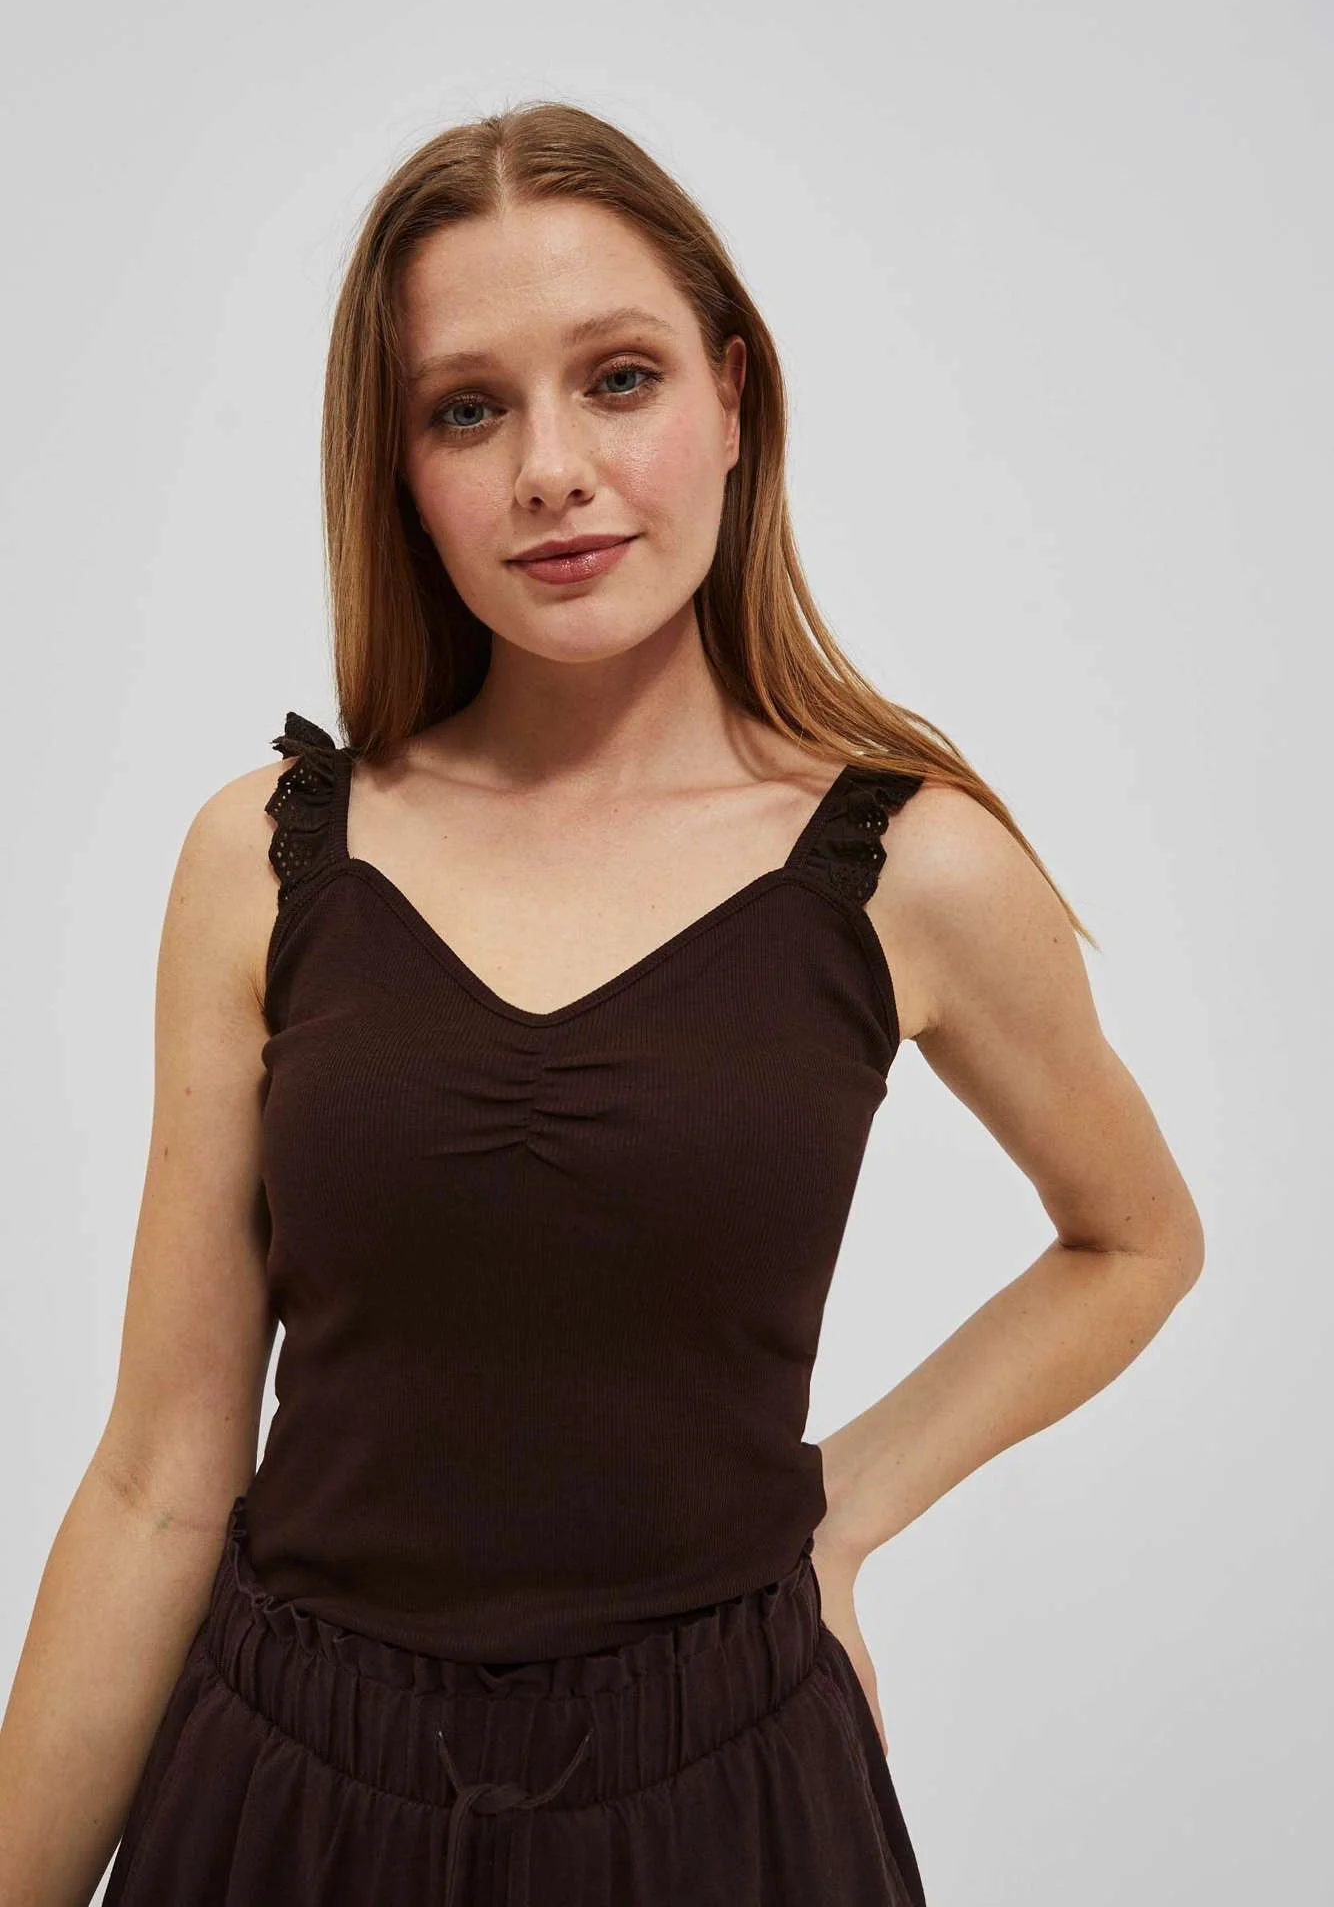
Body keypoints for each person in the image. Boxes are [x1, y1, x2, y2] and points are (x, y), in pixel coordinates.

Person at [0, 100, 1204, 1906]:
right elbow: (159, 1481)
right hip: (282, 1803)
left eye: (617, 379)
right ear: (400, 466)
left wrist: (836, 1515)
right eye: (466, 409)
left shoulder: (910, 868)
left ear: (731, 396)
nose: (550, 468)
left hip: (726, 1802)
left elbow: (1135, 1240)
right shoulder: (266, 859)